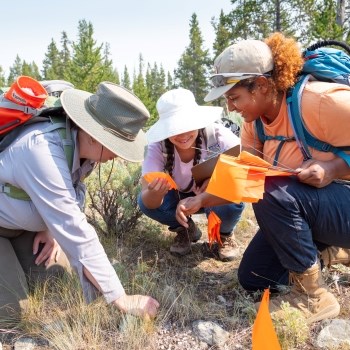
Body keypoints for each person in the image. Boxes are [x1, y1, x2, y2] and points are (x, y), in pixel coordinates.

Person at [175, 32, 350, 323]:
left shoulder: (321, 103)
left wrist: (332, 169)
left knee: (272, 189)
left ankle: (313, 298)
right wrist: (202, 200)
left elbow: (267, 187)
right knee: (255, 277)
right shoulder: (255, 124)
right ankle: (333, 251)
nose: (230, 107)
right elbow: (246, 177)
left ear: (262, 85)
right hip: (320, 213)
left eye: (234, 97)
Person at [0, 79, 159, 323]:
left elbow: (70, 196)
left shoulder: (83, 149)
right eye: (117, 145)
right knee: (9, 315)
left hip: (20, 228)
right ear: (94, 135)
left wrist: (49, 228)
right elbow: (74, 225)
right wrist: (120, 298)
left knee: (53, 282)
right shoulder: (41, 149)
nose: (118, 154)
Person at [138, 88, 244, 260]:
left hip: (212, 196)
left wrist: (211, 187)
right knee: (142, 202)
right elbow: (148, 202)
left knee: (232, 199)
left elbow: (242, 178)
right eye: (174, 128)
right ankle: (185, 229)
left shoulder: (217, 136)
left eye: (187, 125)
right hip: (178, 197)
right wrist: (154, 194)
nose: (182, 134)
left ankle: (224, 235)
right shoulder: (157, 146)